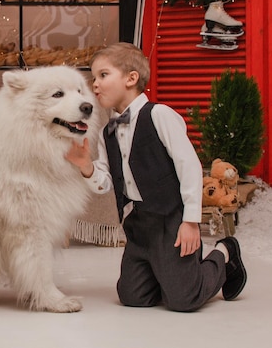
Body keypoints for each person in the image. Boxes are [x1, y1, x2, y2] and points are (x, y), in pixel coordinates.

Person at [65, 42, 247, 311]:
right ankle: (167, 273)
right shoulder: (108, 132)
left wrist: (191, 221)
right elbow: (105, 182)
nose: (95, 84)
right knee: (132, 297)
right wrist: (86, 166)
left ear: (131, 78)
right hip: (138, 222)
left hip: (171, 218)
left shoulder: (159, 115)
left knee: (184, 299)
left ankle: (224, 253)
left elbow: (190, 167)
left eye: (103, 75)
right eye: (93, 77)